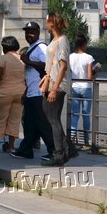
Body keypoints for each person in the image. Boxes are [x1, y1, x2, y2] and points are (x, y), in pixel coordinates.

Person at [12, 21, 56, 159]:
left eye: (31, 32)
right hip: (32, 93)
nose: (29, 35)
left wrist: (28, 61)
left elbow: (48, 65)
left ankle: (55, 152)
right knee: (30, 124)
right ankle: (25, 150)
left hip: (40, 92)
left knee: (43, 124)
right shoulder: (33, 47)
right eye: (27, 32)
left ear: (38, 33)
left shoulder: (41, 47)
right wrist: (26, 92)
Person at [41, 12, 77, 166]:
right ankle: (68, 149)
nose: (45, 24)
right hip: (51, 83)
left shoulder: (62, 41)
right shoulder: (55, 40)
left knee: (53, 119)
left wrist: (54, 89)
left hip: (57, 85)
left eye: (47, 21)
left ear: (52, 23)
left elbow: (63, 66)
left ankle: (59, 154)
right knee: (50, 117)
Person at [0, 35, 26, 153]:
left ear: (5, 47)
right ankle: (11, 147)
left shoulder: (2, 59)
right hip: (20, 93)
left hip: (3, 94)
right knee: (14, 120)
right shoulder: (23, 59)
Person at [69, 33, 95, 147]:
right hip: (86, 87)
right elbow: (89, 77)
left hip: (74, 87)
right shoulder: (88, 57)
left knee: (75, 115)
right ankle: (86, 140)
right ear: (84, 44)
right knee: (86, 115)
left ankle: (72, 138)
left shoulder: (70, 57)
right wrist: (95, 73)